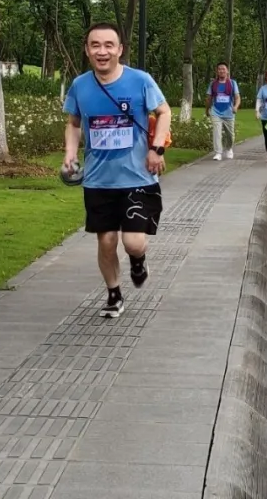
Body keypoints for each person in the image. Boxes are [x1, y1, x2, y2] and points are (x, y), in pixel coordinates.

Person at [63, 22, 171, 319]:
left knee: (133, 242)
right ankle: (114, 293)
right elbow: (73, 123)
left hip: (138, 177)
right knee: (107, 241)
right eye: (95, 45)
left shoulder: (140, 80)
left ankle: (138, 260)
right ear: (87, 50)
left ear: (120, 50)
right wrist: (71, 153)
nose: (102, 51)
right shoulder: (80, 85)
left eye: (109, 45)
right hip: (99, 180)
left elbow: (164, 112)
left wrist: (156, 148)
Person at [205, 61, 241, 162]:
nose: (221, 71)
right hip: (215, 112)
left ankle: (229, 148)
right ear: (217, 71)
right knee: (217, 132)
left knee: (230, 135)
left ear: (227, 71)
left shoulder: (232, 83)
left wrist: (236, 107)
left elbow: (238, 97)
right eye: (219, 69)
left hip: (229, 112)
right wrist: (207, 110)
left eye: (223, 69)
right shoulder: (213, 84)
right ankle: (218, 152)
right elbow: (208, 98)